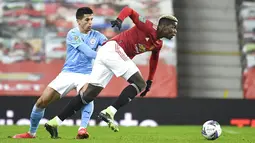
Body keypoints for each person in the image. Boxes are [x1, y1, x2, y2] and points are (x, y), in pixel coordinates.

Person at [45, 6, 178, 136]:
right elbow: (129, 10)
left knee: (88, 95)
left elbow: (154, 60)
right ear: (163, 26)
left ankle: (54, 122)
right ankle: (110, 111)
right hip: (113, 49)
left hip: (107, 54)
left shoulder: (158, 44)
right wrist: (120, 19)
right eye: (173, 27)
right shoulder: (148, 26)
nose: (175, 31)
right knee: (139, 83)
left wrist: (150, 80)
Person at [12, 7, 107, 139]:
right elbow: (88, 52)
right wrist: (105, 56)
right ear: (78, 21)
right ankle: (31, 133)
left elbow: (110, 47)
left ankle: (82, 130)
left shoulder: (98, 36)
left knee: (87, 95)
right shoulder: (72, 34)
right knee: (42, 101)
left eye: (91, 19)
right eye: (87, 19)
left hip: (86, 74)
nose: (90, 22)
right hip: (68, 73)